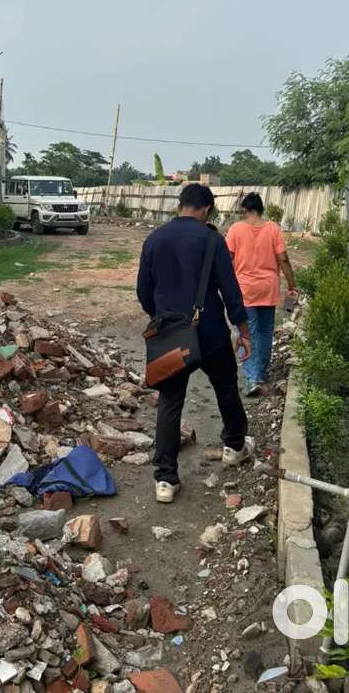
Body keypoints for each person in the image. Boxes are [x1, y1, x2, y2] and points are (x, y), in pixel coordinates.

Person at [136, 183, 254, 504]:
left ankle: (165, 479)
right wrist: (244, 332)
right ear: (206, 210)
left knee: (171, 400)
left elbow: (144, 292)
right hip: (211, 330)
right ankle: (234, 446)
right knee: (225, 387)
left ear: (181, 205)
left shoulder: (154, 239)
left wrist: (163, 318)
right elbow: (230, 291)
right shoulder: (212, 239)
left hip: (172, 334)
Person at [226, 192, 298, 396]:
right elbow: (283, 259)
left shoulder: (236, 229)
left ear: (246, 209)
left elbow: (227, 258)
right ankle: (262, 373)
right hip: (268, 288)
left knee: (247, 332)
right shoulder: (273, 228)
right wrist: (292, 285)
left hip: (245, 290)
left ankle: (252, 379)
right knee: (265, 332)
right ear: (261, 209)